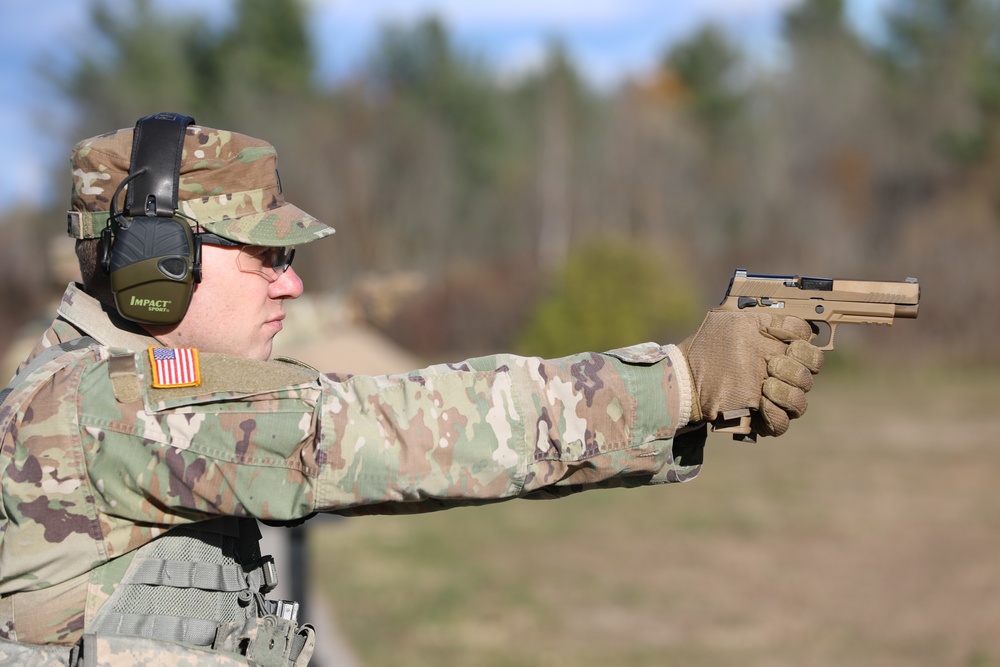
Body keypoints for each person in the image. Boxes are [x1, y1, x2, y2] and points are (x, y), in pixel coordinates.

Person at [0, 113, 824, 666]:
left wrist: (679, 408)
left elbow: (375, 440)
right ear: (158, 263)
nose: (289, 286)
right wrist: (682, 381)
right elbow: (377, 433)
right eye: (267, 257)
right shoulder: (90, 408)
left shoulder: (113, 388)